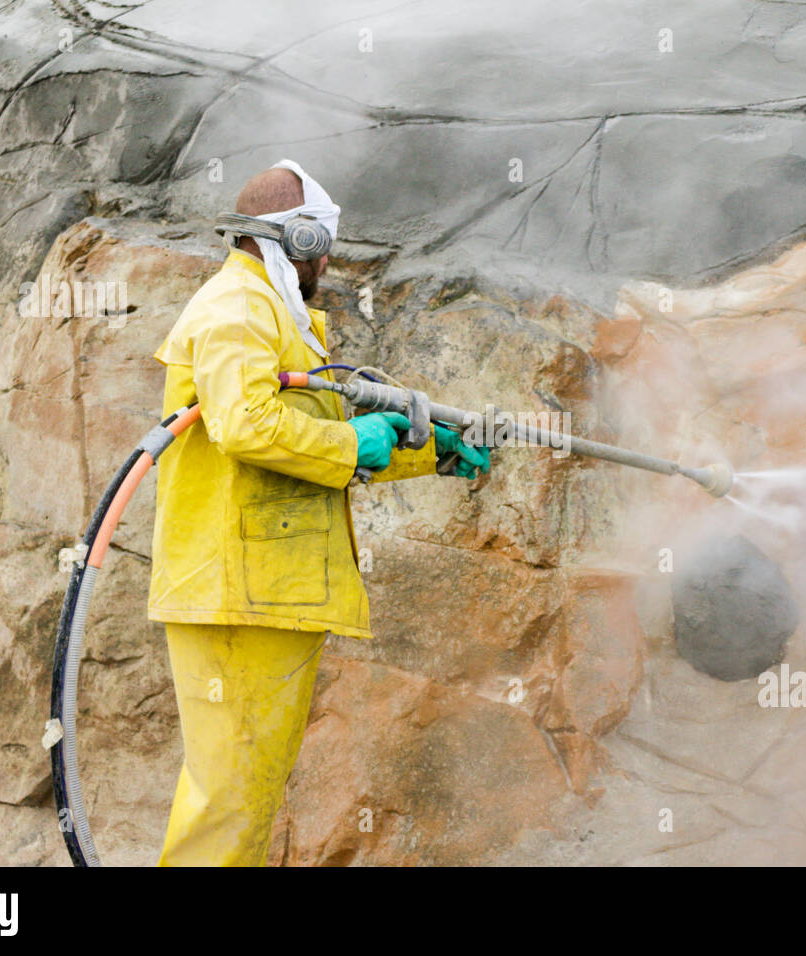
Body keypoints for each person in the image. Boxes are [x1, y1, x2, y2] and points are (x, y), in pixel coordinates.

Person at [146, 160, 489, 865]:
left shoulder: (276, 315)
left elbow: (312, 450)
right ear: (296, 240)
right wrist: (350, 439)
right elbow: (247, 426)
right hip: (238, 594)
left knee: (248, 789)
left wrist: (431, 453)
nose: (327, 259)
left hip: (263, 591)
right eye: (322, 243)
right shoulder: (237, 310)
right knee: (230, 796)